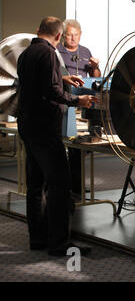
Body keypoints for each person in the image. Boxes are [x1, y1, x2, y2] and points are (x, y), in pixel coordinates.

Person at [17, 16, 98, 256]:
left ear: (38, 30)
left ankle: (38, 239)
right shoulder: (50, 54)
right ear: (59, 36)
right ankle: (59, 243)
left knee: (34, 185)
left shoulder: (26, 54)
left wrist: (61, 78)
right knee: (60, 184)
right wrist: (78, 100)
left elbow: (35, 83)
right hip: (44, 128)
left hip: (27, 125)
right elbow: (51, 92)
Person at [57, 19, 101, 197]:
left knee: (83, 145)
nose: (73, 38)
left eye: (76, 35)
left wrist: (95, 67)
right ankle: (71, 184)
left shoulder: (85, 52)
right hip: (65, 101)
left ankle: (72, 182)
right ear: (63, 36)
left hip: (84, 103)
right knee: (70, 144)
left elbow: (96, 77)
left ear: (80, 35)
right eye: (69, 35)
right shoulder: (56, 52)